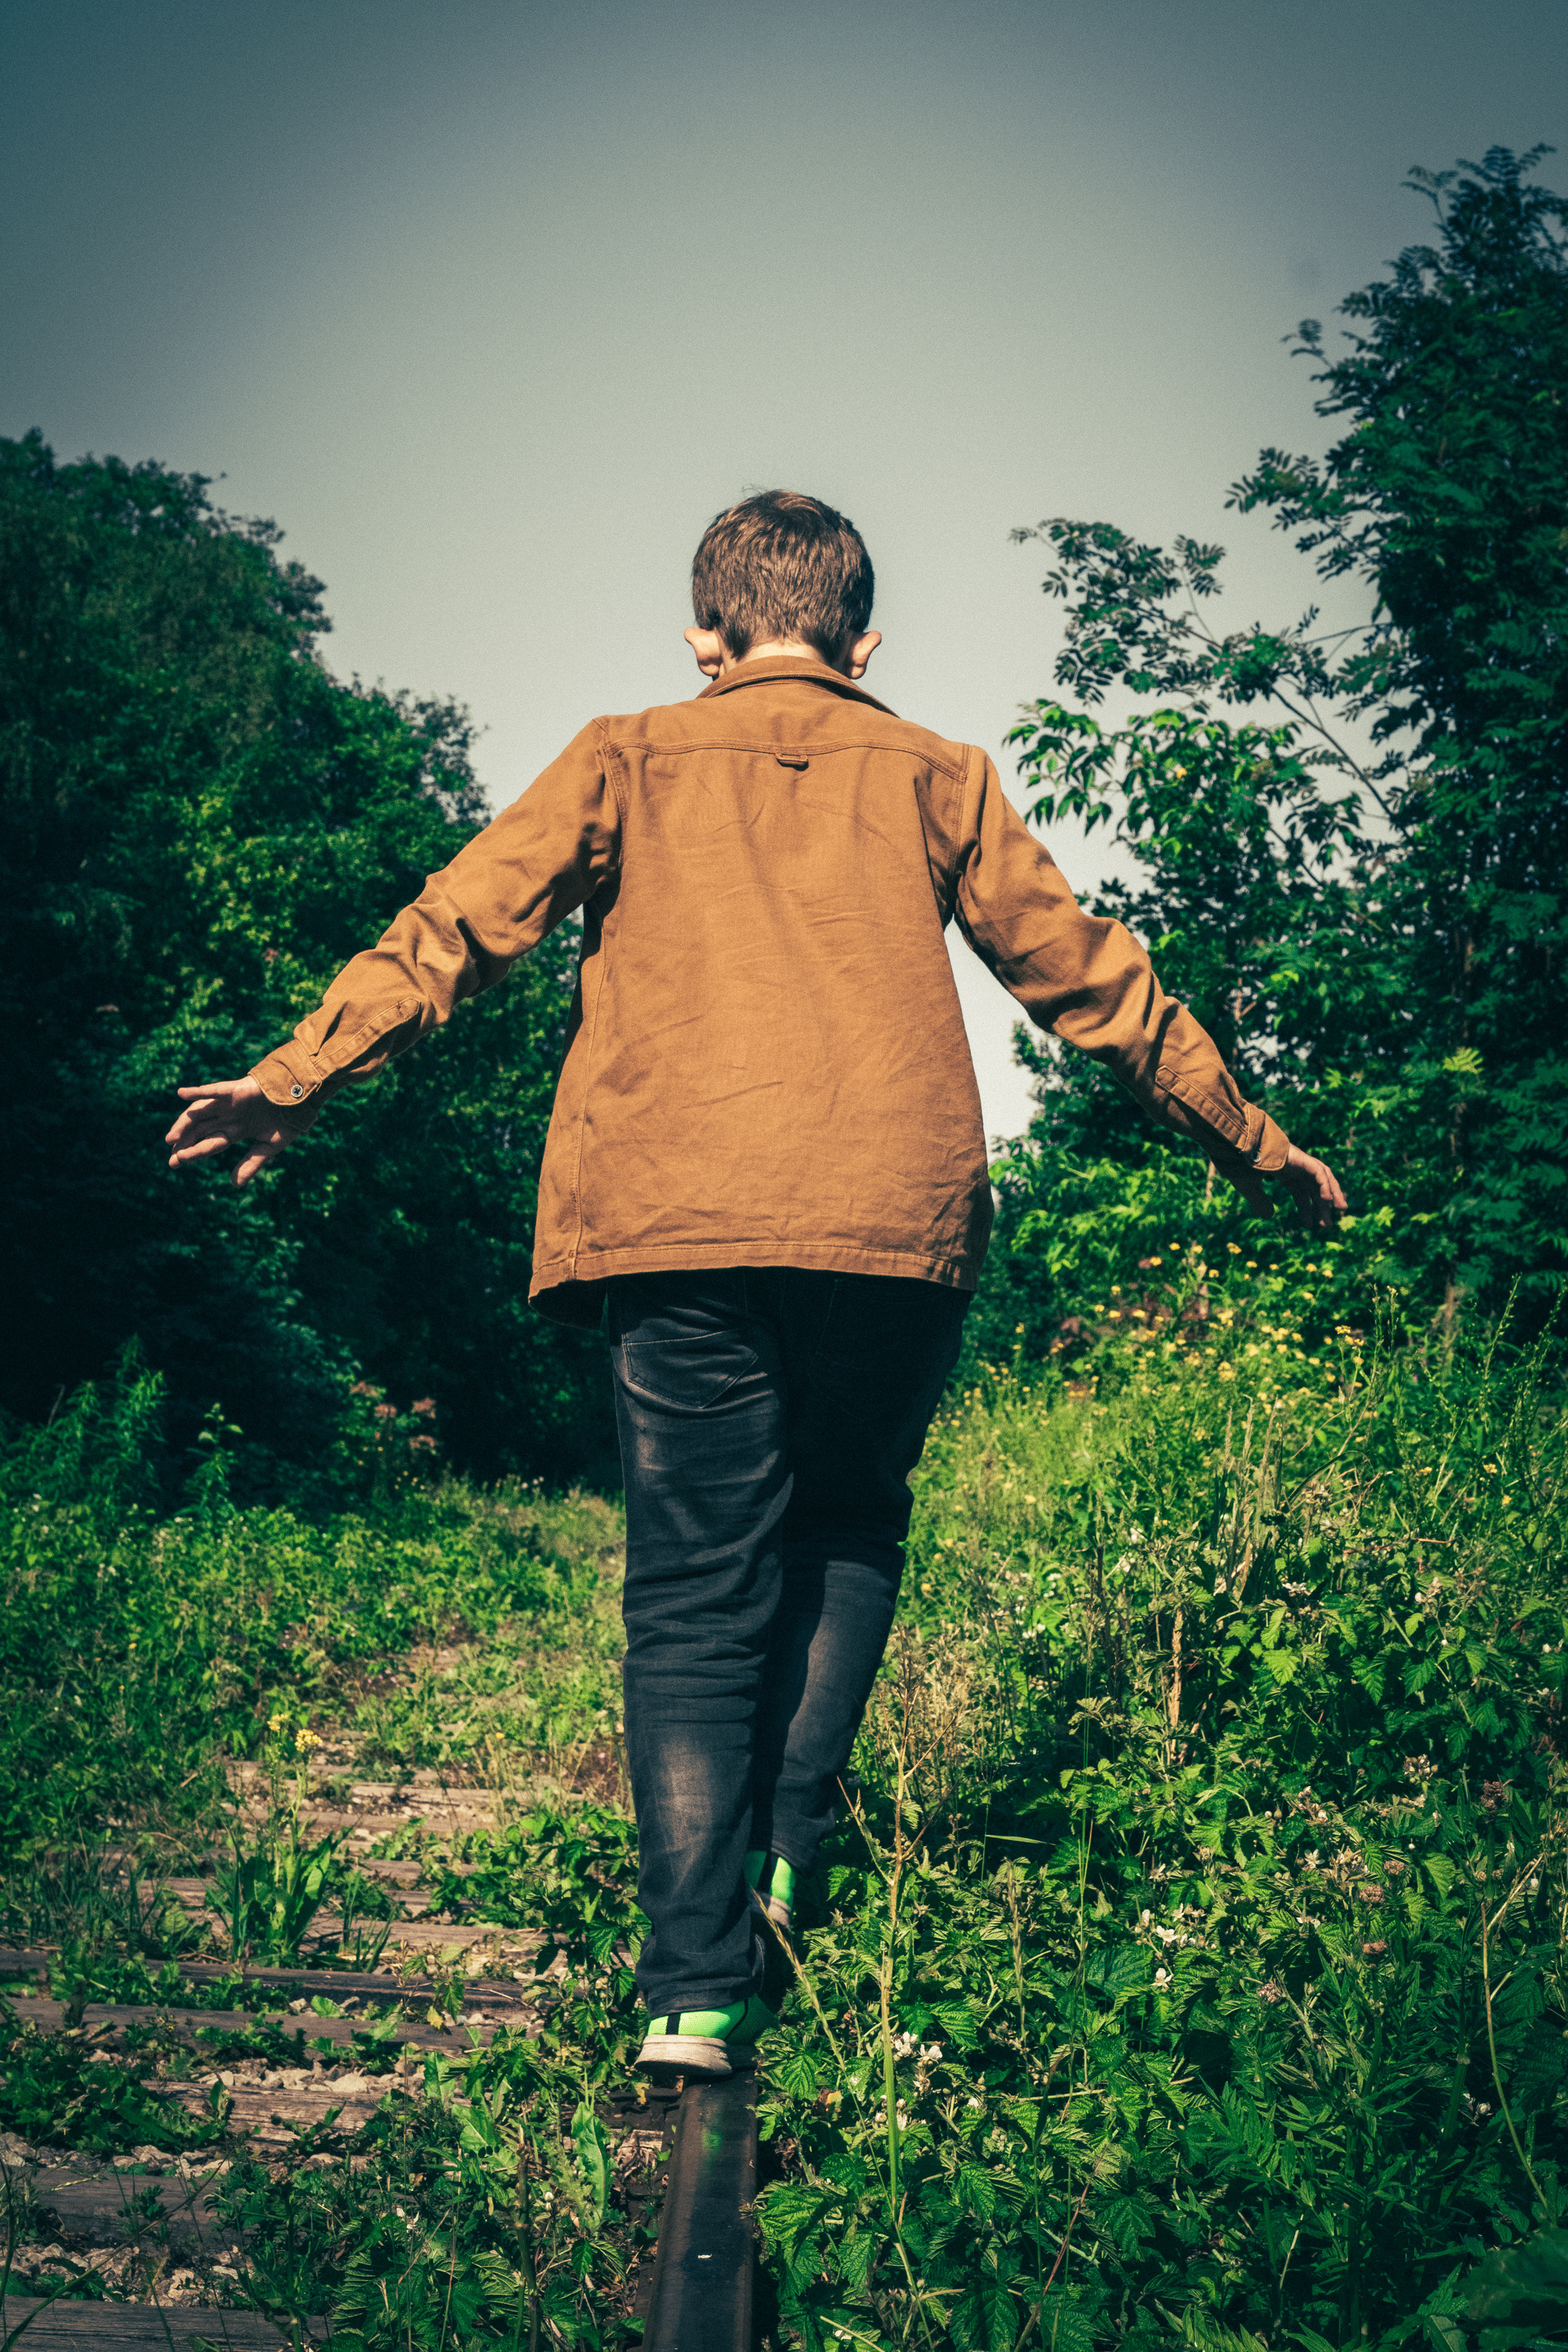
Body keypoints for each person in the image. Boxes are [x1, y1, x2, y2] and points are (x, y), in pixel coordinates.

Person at [166, 489, 1345, 2077]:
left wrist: (296, 1077)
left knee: (692, 1586)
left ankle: (696, 1987)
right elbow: (1095, 981)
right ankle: (790, 1850)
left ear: (704, 638)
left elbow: (454, 930)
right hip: (891, 1225)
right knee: (848, 1520)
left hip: (677, 1217)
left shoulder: (626, 753)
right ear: (862, 642)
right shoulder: (939, 772)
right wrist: (1252, 1141)